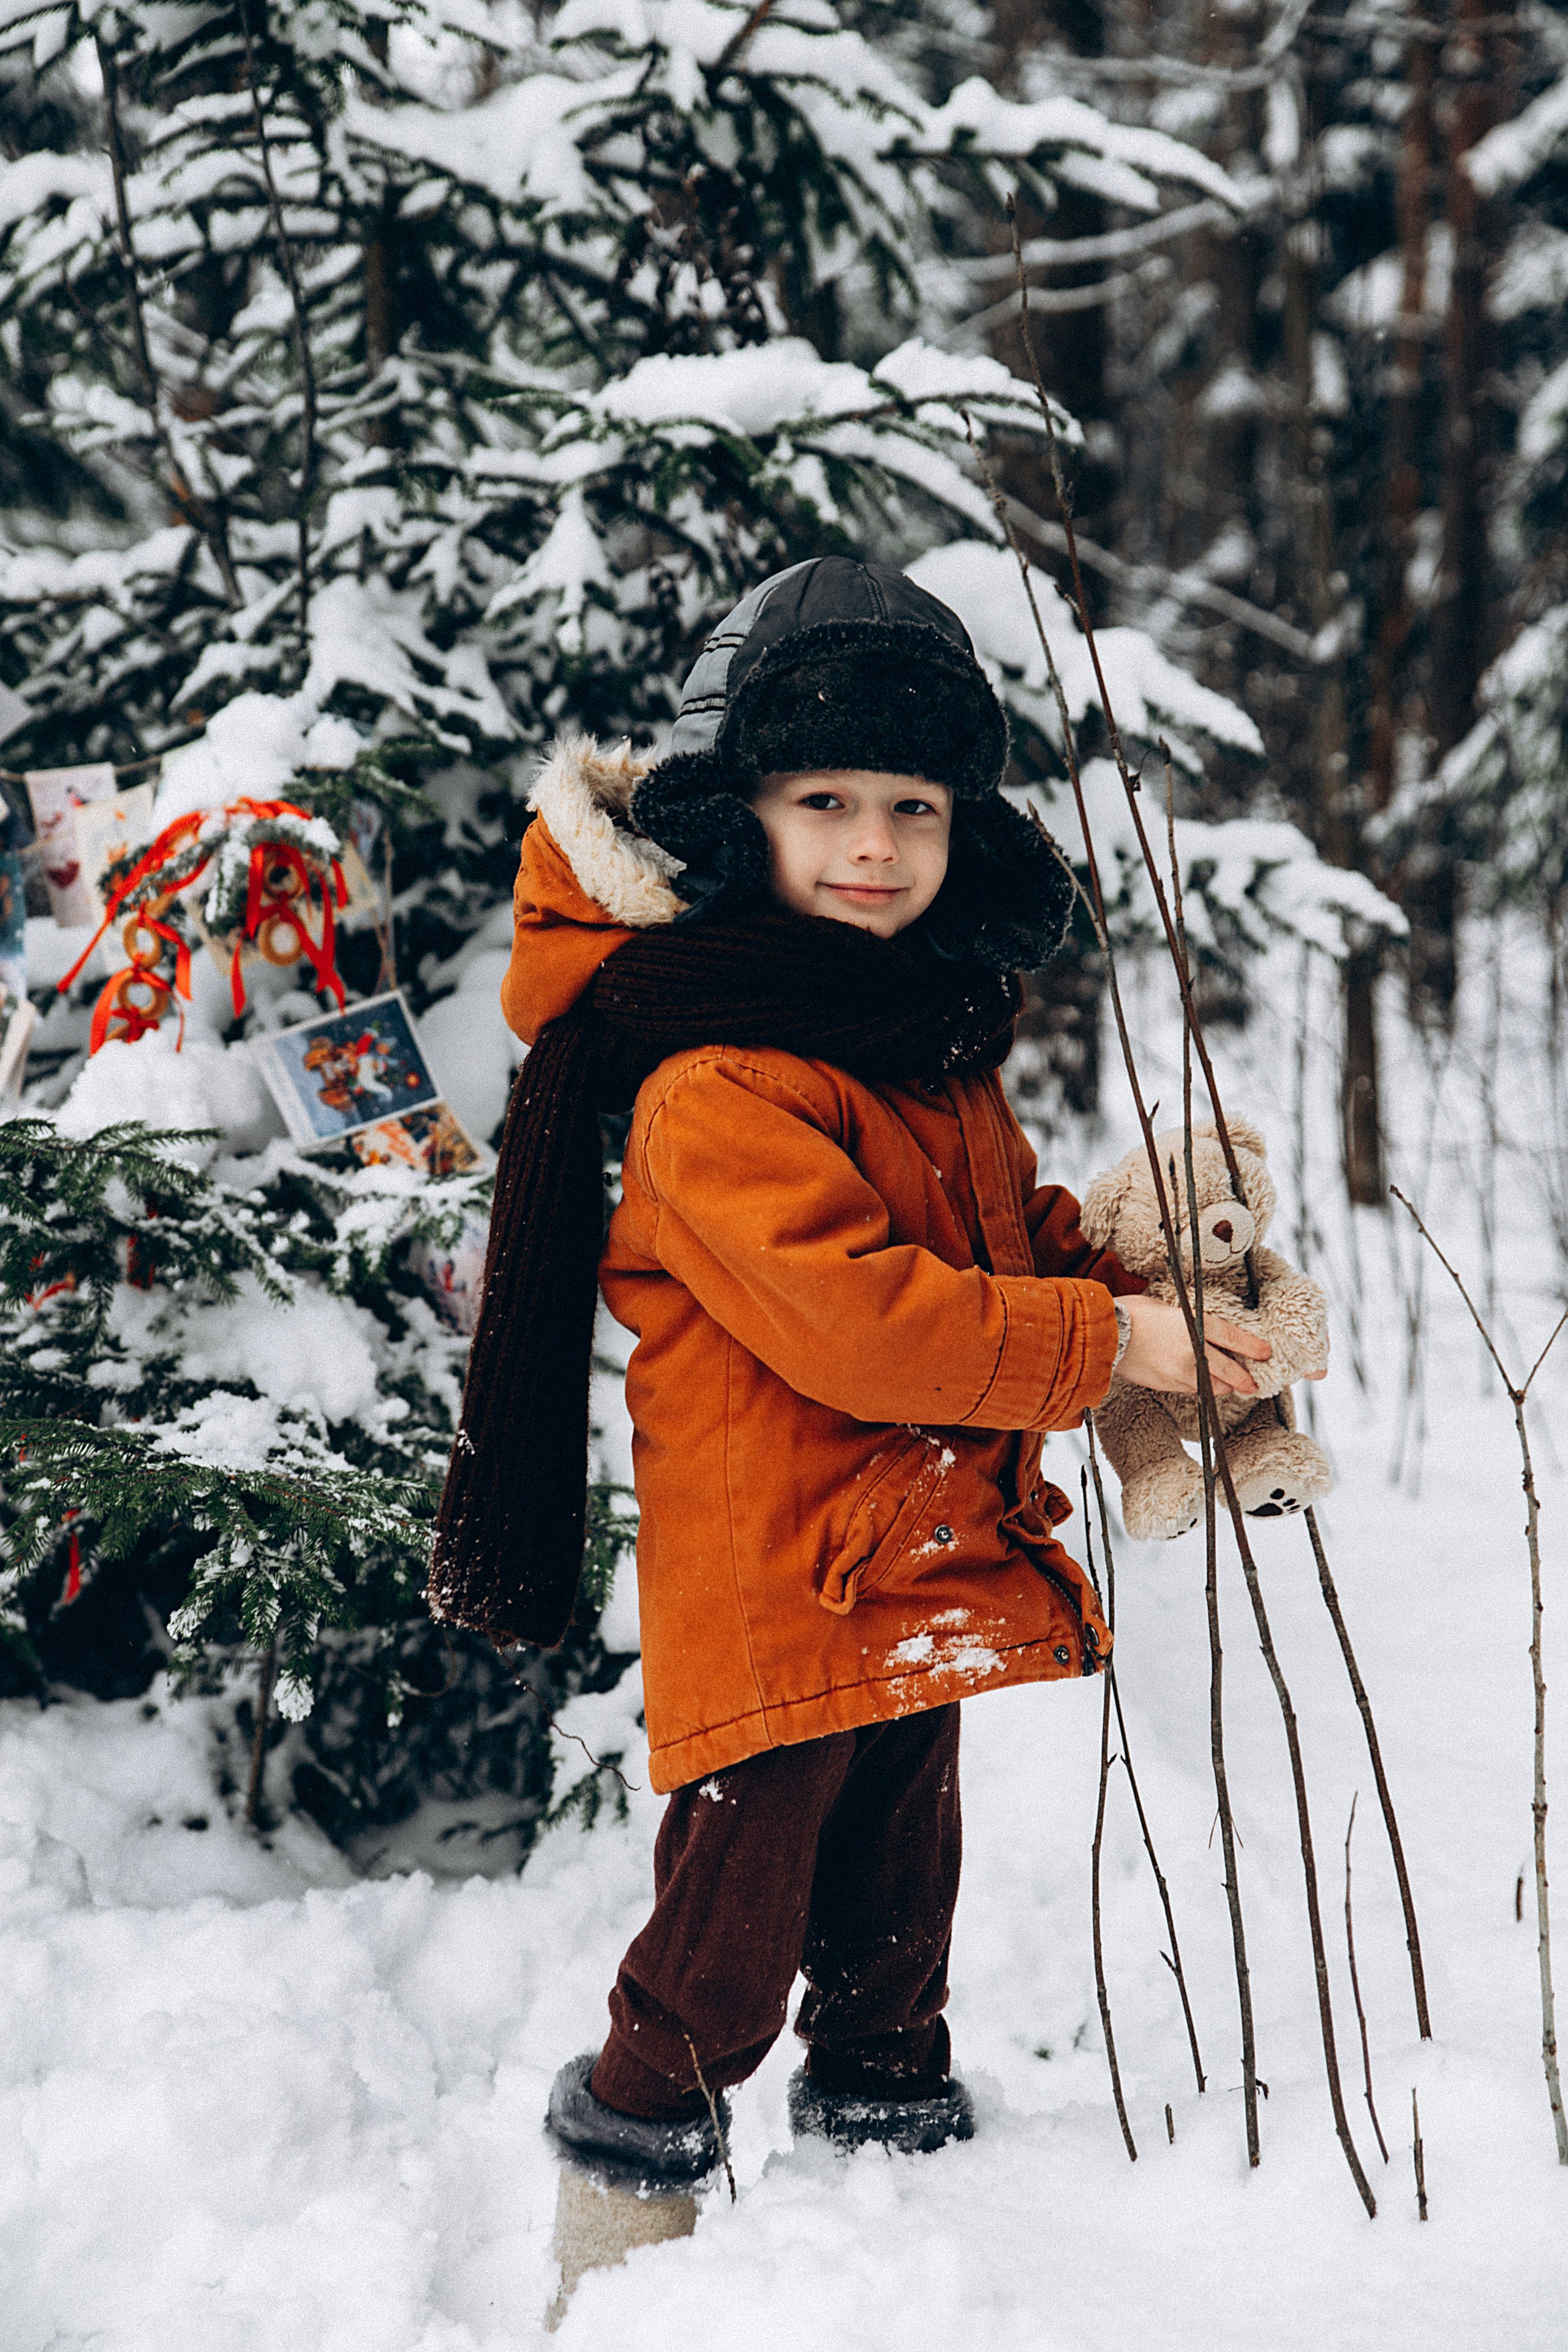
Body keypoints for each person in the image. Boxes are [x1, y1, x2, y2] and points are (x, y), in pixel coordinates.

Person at [428, 557, 1271, 2313]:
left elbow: (983, 1233)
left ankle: (894, 2146)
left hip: (908, 1552)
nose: (874, 843)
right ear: (744, 819)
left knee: (904, 1875)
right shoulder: (719, 1076)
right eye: (826, 803)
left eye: (914, 805)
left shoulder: (918, 1047)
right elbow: (863, 1319)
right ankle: (626, 2202)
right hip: (785, 1569)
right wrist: (1110, 1336)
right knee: (730, 1928)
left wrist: (1112, 1251)